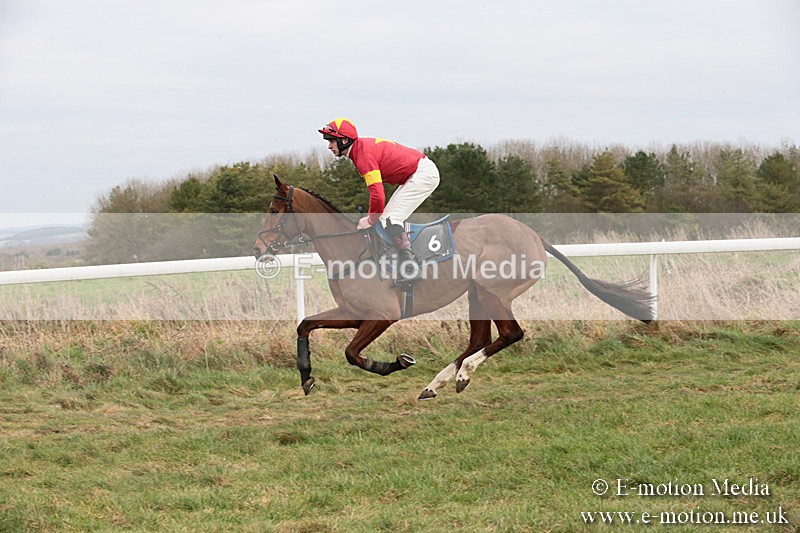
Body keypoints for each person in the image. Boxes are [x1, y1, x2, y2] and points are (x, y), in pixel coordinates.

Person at [319, 118, 440, 285]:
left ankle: (412, 268)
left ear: (344, 140)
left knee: (388, 219)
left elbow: (378, 195)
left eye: (331, 141)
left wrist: (370, 219)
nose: (329, 146)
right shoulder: (359, 150)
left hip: (422, 175)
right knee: (387, 218)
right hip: (417, 173)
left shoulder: (362, 156)